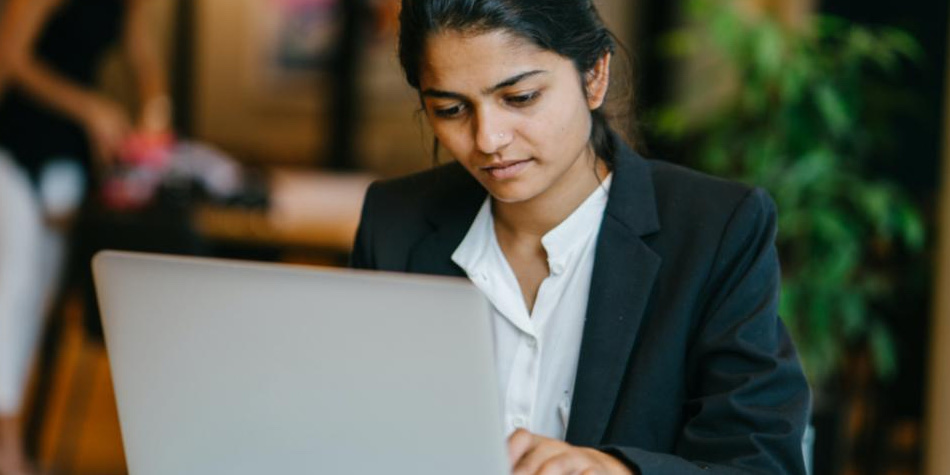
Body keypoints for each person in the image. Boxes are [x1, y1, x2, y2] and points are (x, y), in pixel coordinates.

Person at [350, 0, 811, 474]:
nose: (487, 138)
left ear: (594, 75)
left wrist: (621, 472)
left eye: (521, 97)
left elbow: (760, 462)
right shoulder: (395, 223)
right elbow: (352, 426)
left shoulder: (715, 231)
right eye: (450, 108)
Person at [0, 0, 170, 473]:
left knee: (40, 303)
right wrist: (89, 107)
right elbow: (9, 55)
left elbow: (144, 60)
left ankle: (20, 446)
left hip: (68, 160)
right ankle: (7, 453)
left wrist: (155, 113)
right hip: (13, 149)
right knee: (11, 292)